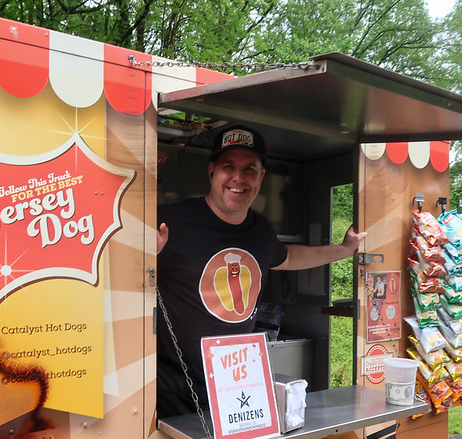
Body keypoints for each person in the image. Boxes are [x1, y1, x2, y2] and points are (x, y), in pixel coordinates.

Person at [156, 125, 366, 419]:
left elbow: (289, 256)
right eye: (228, 167)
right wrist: (143, 254)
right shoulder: (170, 221)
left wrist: (343, 250)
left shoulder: (260, 231)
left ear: (261, 177)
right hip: (175, 389)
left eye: (249, 169)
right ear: (212, 171)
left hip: (234, 384)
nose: (238, 178)